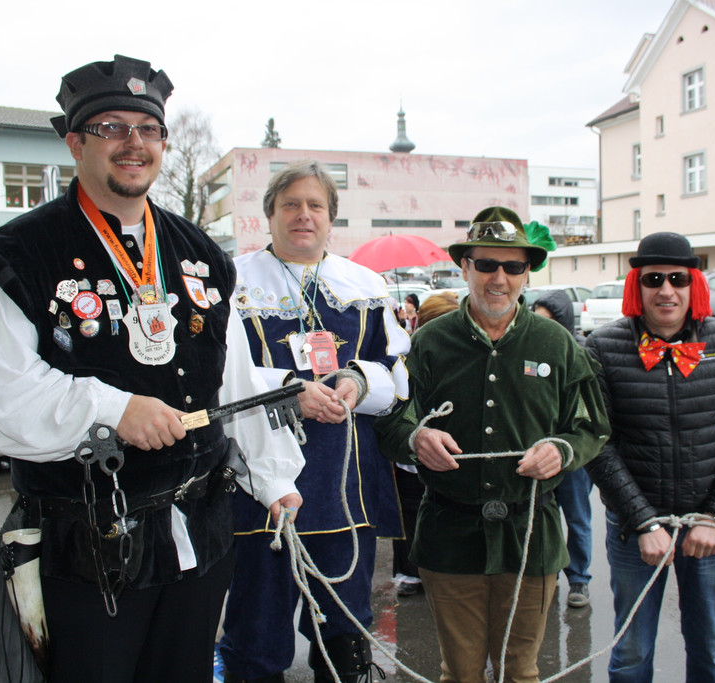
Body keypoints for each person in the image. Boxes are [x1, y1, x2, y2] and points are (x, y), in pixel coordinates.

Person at [0, 55, 304, 683]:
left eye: (148, 129)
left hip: (200, 535)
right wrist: (113, 409)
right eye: (111, 127)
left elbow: (234, 376)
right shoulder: (17, 255)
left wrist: (273, 476)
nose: (133, 143)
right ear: (75, 142)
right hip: (88, 548)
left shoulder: (201, 253)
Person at [375, 206, 611, 683]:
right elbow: (391, 419)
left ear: (526, 272)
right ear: (465, 267)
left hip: (531, 541)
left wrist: (562, 450)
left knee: (519, 672)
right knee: (461, 674)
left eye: (513, 266)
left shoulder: (557, 344)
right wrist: (416, 437)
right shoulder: (428, 343)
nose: (499, 278)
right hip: (449, 540)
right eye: (486, 264)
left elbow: (592, 427)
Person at [219, 161, 411, 683]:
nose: (303, 215)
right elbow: (216, 374)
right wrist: (288, 391)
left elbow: (398, 370)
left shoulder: (364, 284)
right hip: (257, 489)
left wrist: (358, 382)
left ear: (331, 217)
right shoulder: (231, 282)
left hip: (345, 485)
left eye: (315, 205)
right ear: (270, 214)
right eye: (291, 204)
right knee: (257, 636)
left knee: (346, 633)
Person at [583, 232, 715, 682]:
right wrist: (643, 523)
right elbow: (597, 442)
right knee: (630, 654)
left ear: (693, 284)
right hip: (634, 534)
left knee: (711, 654)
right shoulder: (603, 347)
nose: (666, 290)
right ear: (637, 285)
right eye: (654, 279)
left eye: (678, 279)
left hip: (710, 530)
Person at [393, 292, 461, 598]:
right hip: (411, 453)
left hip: (451, 452)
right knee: (410, 511)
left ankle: (444, 569)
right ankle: (410, 572)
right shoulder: (404, 357)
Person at [532, 289, 593, 608]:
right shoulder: (529, 352)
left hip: (572, 457)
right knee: (545, 516)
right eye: (536, 319)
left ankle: (579, 578)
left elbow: (592, 415)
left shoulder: (580, 355)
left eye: (548, 321)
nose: (541, 327)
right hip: (539, 453)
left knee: (577, 517)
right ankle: (549, 570)